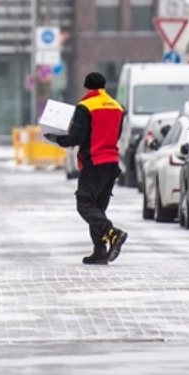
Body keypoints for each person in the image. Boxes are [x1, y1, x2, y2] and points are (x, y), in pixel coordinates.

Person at [46, 72, 129, 265]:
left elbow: (78, 137)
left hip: (94, 162)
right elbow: (116, 135)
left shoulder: (85, 107)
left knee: (84, 204)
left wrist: (57, 139)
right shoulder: (117, 107)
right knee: (97, 208)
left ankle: (112, 233)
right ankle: (99, 251)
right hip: (112, 163)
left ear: (87, 87)